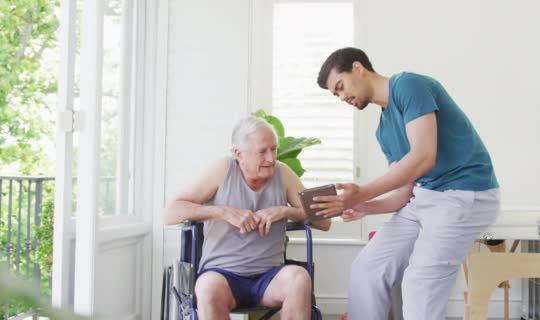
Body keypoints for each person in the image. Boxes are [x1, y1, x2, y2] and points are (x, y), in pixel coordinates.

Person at [313, 47, 500, 320]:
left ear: (357, 68)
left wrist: (362, 192)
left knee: (419, 284)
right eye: (336, 94)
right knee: (367, 268)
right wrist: (366, 206)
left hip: (465, 192)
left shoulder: (408, 86)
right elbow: (405, 192)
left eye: (340, 86)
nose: (342, 97)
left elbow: (424, 157)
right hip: (427, 197)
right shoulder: (384, 130)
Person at [164, 116, 331, 320]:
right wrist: (223, 212)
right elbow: (170, 212)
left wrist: (285, 211)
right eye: (262, 151)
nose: (271, 158)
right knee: (206, 287)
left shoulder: (282, 173)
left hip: (269, 277)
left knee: (299, 278)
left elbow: (324, 221)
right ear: (239, 154)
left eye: (274, 149)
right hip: (222, 274)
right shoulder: (222, 170)